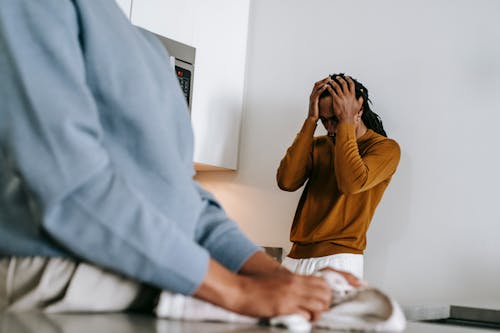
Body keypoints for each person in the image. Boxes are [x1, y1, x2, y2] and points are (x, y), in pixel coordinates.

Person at [0, 1, 361, 321]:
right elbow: (74, 189)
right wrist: (237, 292)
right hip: (51, 267)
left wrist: (278, 277)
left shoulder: (148, 48)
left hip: (117, 265)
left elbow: (190, 206)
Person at [277, 74, 401, 278]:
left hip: (339, 260)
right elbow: (286, 182)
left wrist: (346, 123)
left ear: (358, 110)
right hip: (295, 257)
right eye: (325, 121)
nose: (331, 128)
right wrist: (310, 121)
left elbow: (350, 184)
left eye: (336, 118)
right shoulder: (318, 145)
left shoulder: (384, 148)